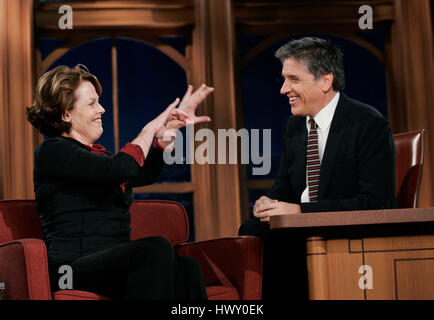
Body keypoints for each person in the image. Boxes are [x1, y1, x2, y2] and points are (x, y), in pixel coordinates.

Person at [26, 64, 214, 300]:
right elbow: (120, 168)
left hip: (111, 263)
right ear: (66, 114)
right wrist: (148, 130)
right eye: (92, 103)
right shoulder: (52, 151)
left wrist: (166, 133)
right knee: (154, 248)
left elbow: (138, 173)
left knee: (187, 269)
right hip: (70, 269)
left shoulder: (97, 156)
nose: (102, 109)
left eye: (99, 102)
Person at [238, 37, 397, 300]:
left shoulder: (369, 125)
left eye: (294, 79)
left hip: (344, 237)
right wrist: (268, 202)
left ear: (325, 80)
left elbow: (375, 204)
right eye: (284, 79)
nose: (283, 89)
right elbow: (286, 186)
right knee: (251, 230)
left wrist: (301, 212)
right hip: (299, 233)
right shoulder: (294, 126)